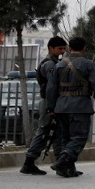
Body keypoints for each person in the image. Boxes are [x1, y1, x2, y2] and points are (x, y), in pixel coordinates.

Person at [46, 36, 95, 178]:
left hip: (61, 107)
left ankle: (69, 169)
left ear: (69, 48)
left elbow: (51, 88)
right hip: (80, 106)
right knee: (79, 137)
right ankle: (62, 161)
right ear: (84, 48)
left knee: (66, 138)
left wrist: (51, 107)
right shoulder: (87, 64)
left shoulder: (59, 65)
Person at [19, 36, 67, 175]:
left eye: (64, 49)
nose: (62, 51)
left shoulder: (55, 62)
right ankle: (29, 163)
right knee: (44, 131)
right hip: (49, 102)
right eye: (59, 48)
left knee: (57, 132)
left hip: (53, 102)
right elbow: (51, 87)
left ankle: (60, 164)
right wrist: (51, 107)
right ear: (51, 48)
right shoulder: (49, 64)